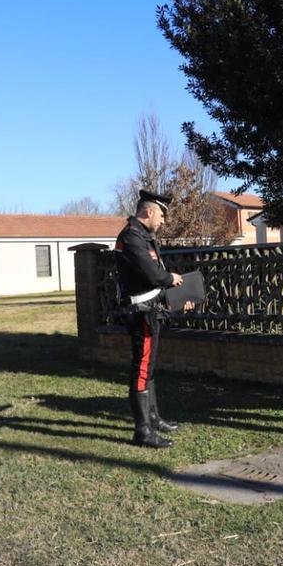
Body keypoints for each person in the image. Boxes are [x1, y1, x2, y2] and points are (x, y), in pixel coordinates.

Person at [114, 189, 185, 448]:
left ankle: (153, 418)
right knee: (142, 368)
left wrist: (176, 295)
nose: (164, 221)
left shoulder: (143, 236)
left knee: (149, 367)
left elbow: (155, 275)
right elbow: (153, 275)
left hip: (151, 309)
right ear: (149, 211)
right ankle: (142, 431)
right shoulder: (131, 237)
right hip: (140, 313)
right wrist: (171, 279)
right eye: (162, 215)